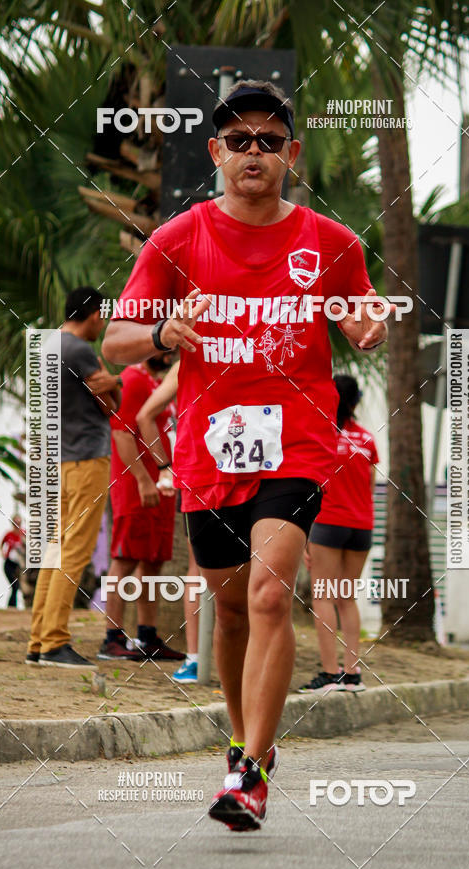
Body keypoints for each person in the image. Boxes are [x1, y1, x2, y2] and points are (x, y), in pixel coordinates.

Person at [102, 79, 389, 831]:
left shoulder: (331, 242)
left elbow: (359, 309)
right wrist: (163, 333)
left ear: (291, 153)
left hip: (298, 443)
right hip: (210, 450)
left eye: (269, 140)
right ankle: (241, 741)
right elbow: (116, 341)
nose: (253, 151)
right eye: (239, 140)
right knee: (230, 612)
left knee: (268, 596)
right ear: (215, 152)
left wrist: (368, 326)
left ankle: (251, 774)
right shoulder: (178, 239)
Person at [27, 286, 121, 668]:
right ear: (94, 314)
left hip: (58, 461)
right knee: (75, 551)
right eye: (102, 316)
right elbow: (108, 405)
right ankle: (54, 642)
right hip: (87, 459)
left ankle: (39, 641)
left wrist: (109, 382)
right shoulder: (81, 350)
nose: (103, 324)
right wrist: (116, 381)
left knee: (54, 550)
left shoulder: (46, 346)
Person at [98, 352, 185, 662]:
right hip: (136, 485)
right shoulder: (133, 379)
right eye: (164, 346)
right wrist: (143, 480)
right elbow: (121, 433)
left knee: (153, 560)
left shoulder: (157, 383)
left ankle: (147, 637)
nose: (170, 353)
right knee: (125, 558)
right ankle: (112, 637)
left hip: (161, 483)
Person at [299, 374, 378, 694]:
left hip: (328, 524)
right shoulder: (367, 439)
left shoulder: (321, 436)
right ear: (356, 401)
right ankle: (352, 673)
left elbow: (311, 488)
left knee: (323, 597)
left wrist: (304, 538)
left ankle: (330, 674)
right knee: (347, 597)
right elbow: (370, 487)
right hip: (362, 526)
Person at [135, 361, 201, 682]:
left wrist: (165, 467)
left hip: (238, 475)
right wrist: (165, 467)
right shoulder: (186, 362)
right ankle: (197, 657)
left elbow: (145, 416)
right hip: (200, 476)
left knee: (201, 569)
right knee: (199, 568)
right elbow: (144, 417)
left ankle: (200, 657)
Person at [0, 515, 25, 608]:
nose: (17, 525)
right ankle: (12, 606)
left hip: (19, 565)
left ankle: (12, 606)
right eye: (15, 523)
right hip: (9, 564)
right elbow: (1, 545)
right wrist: (2, 552)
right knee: (14, 585)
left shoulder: (24, 533)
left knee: (18, 586)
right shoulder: (8, 534)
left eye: (19, 523)